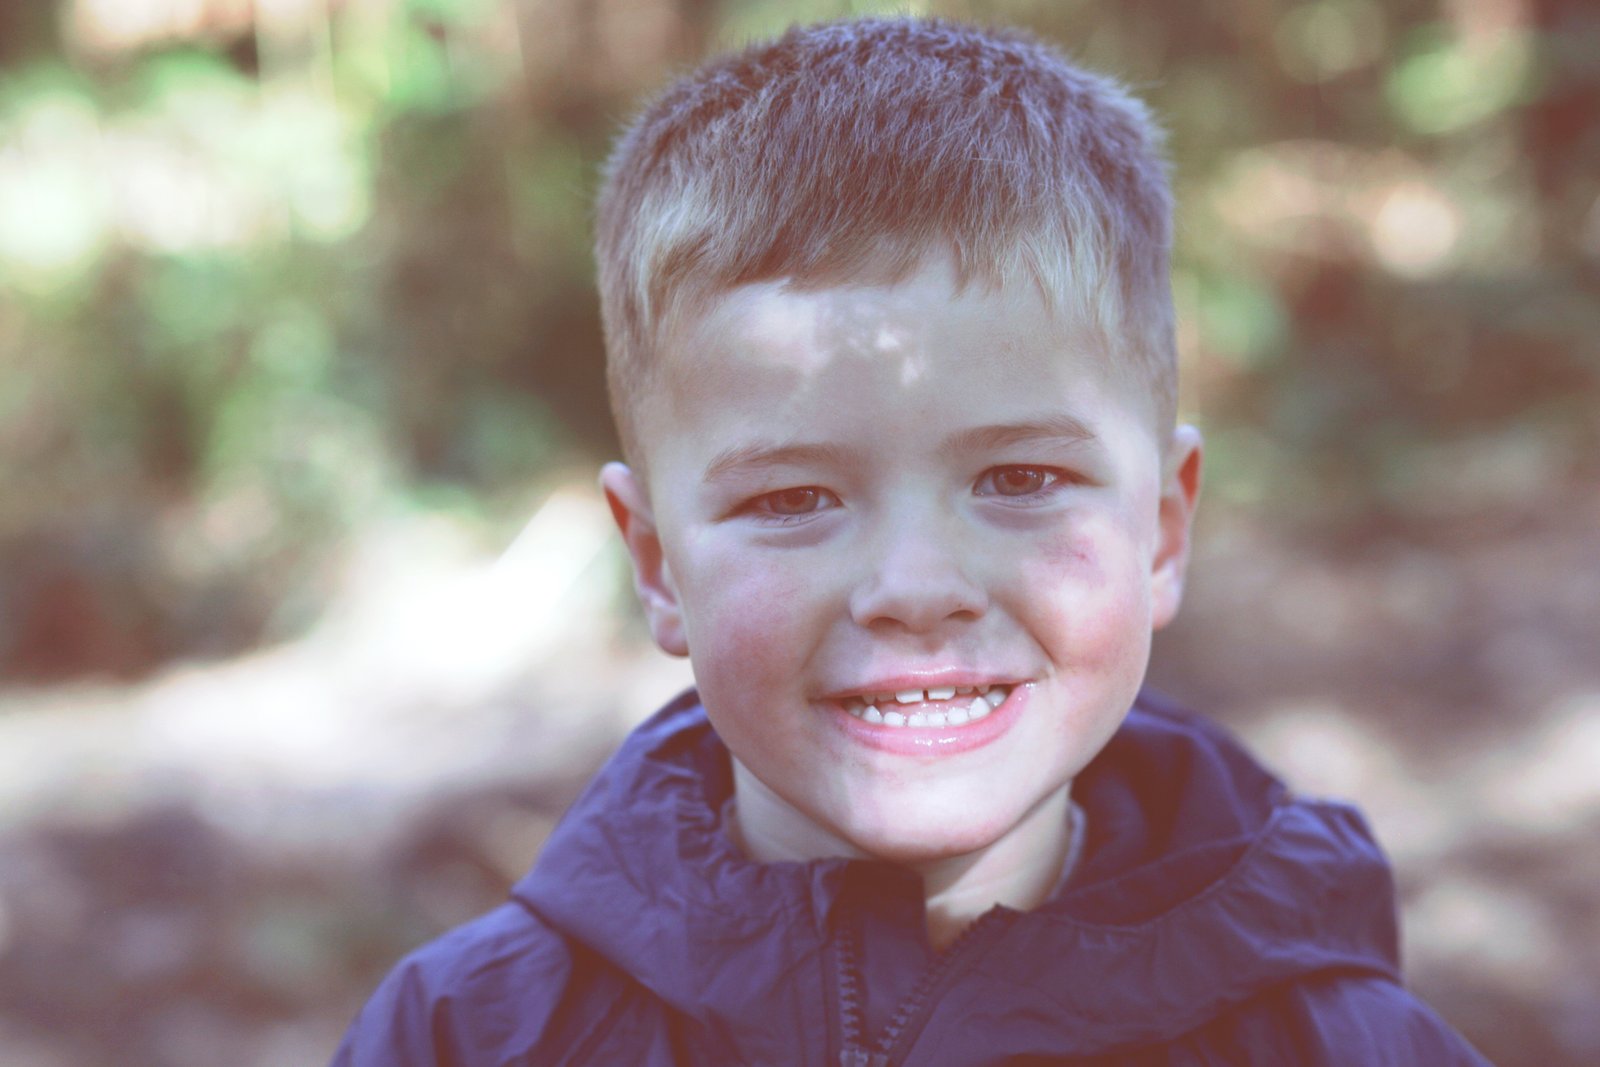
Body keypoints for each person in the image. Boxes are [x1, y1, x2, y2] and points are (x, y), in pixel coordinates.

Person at [332, 17, 1490, 1065]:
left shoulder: (1341, 1047)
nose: (914, 588)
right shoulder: (469, 1035)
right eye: (791, 499)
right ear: (654, 563)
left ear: (1161, 532)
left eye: (1022, 478)